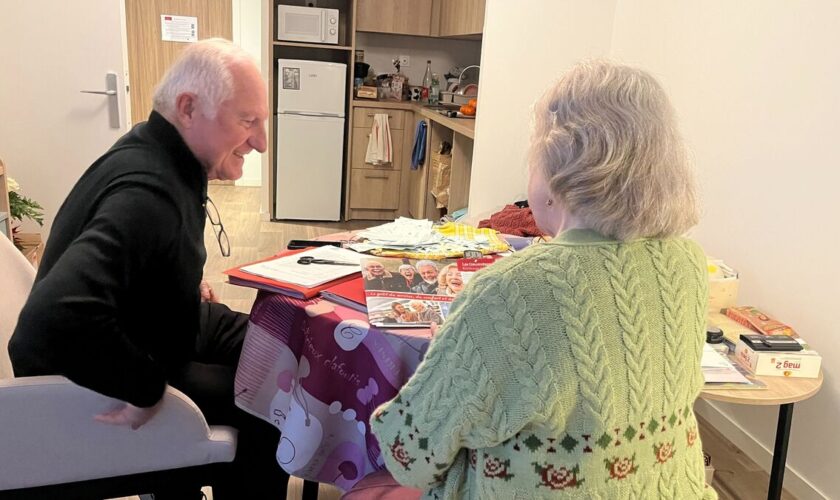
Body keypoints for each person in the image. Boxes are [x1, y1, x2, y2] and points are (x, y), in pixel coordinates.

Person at [371, 61, 715, 499]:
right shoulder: (687, 263)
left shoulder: (510, 292)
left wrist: (456, 348)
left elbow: (407, 455)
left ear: (556, 161)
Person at [8, 39, 287, 499]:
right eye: (247, 121)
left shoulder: (155, 149)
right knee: (270, 403)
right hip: (93, 375)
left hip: (151, 325)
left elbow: (140, 254)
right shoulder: (148, 194)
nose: (259, 142)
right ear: (188, 108)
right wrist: (144, 387)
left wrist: (178, 280)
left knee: (276, 343)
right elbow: (50, 320)